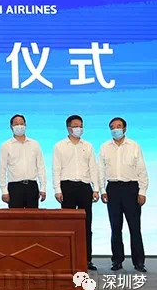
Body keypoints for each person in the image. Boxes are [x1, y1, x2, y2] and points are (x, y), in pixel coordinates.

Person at [99, 117, 149, 272]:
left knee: (135, 227)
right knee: (115, 227)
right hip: (113, 189)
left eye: (119, 126)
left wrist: (142, 191)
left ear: (125, 129)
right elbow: (101, 170)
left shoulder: (134, 146)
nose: (116, 129)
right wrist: (102, 190)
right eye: (113, 127)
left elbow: (141, 170)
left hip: (131, 189)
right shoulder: (105, 147)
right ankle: (117, 260)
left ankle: (139, 262)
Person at [52, 115, 100, 271]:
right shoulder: (60, 146)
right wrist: (57, 190)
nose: (79, 128)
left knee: (86, 224)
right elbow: (56, 169)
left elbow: (93, 168)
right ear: (68, 128)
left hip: (85, 187)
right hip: (67, 187)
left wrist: (96, 188)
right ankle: (67, 259)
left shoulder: (88, 146)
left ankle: (87, 259)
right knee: (67, 225)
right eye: (75, 126)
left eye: (81, 125)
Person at [0, 114, 46, 208]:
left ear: (25, 125)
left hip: (32, 186)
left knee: (33, 216)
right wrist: (4, 191)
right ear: (11, 127)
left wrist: (43, 187)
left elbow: (41, 167)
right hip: (15, 187)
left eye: (21, 124)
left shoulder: (34, 144)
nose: (19, 126)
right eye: (16, 124)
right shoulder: (6, 146)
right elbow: (2, 170)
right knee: (15, 216)